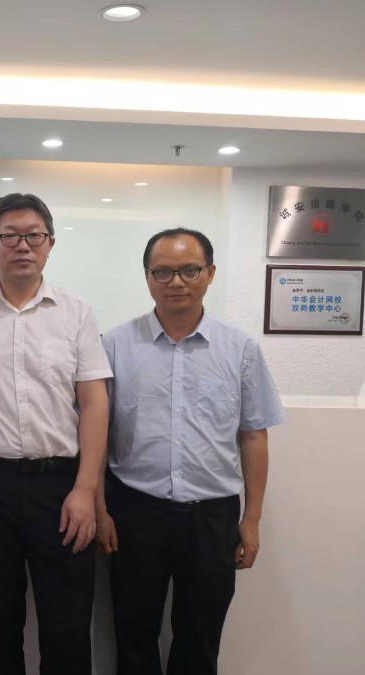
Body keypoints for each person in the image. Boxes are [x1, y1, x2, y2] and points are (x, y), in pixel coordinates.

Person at [0, 193, 111, 675]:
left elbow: (94, 403)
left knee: (68, 625)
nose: (22, 246)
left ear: (50, 243)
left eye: (34, 235)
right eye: (9, 236)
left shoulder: (76, 313)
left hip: (61, 485)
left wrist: (85, 489)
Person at [96, 227, 285, 675]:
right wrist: (101, 509)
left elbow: (253, 436)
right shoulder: (114, 345)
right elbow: (98, 435)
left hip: (212, 515)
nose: (175, 282)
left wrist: (252, 519)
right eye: (162, 272)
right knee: (133, 632)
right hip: (135, 510)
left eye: (189, 270)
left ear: (210, 273)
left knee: (200, 637)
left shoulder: (239, 349)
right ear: (147, 277)